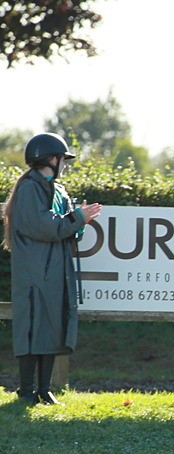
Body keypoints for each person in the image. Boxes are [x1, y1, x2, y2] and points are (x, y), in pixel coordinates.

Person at [2, 133, 102, 405]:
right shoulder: (29, 189)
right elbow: (44, 226)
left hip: (56, 272)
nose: (65, 165)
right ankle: (25, 391)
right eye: (63, 160)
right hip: (34, 273)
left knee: (51, 328)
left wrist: (79, 222)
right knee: (32, 329)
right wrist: (76, 218)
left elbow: (67, 231)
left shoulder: (58, 190)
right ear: (52, 159)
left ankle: (44, 390)